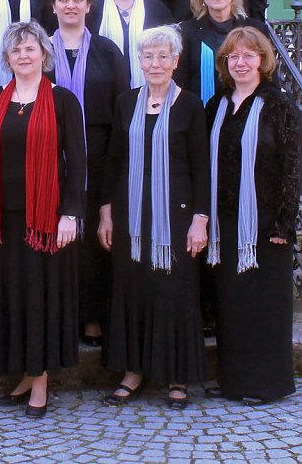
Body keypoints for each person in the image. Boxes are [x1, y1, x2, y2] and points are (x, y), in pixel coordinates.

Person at [0, 21, 85, 419]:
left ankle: (40, 382)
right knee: (12, 299)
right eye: (16, 50)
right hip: (4, 219)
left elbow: (78, 163)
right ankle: (23, 373)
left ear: (43, 54)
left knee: (40, 301)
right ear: (7, 58)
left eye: (30, 48)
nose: (23, 55)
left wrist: (71, 213)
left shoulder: (63, 100)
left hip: (47, 222)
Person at [99, 26, 209, 410]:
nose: (156, 63)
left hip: (176, 214)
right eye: (148, 57)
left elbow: (201, 167)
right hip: (130, 212)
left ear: (176, 61)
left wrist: (200, 219)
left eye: (164, 56)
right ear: (139, 62)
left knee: (172, 291)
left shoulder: (192, 105)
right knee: (133, 288)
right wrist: (105, 213)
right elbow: (114, 160)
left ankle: (176, 376)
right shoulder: (126, 103)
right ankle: (133, 372)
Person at [206, 27, 301, 404]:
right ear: (225, 64)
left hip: (265, 223)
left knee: (264, 305)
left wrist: (284, 222)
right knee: (231, 304)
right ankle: (233, 380)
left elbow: (292, 167)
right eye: (233, 57)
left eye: (248, 56)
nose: (240, 63)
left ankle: (267, 383)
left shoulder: (279, 105)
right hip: (226, 220)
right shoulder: (217, 104)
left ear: (263, 61)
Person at [48, 0, 129, 347]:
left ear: (88, 5)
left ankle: (94, 317)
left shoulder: (108, 51)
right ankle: (61, 317)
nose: (70, 5)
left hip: (97, 155)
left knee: (97, 242)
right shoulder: (39, 50)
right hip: (50, 158)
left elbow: (122, 106)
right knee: (56, 237)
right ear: (53, 6)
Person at [174, 0, 269, 105]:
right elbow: (179, 85)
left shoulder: (257, 30)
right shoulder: (185, 33)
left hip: (246, 119)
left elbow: (269, 81)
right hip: (201, 121)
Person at [86, 0, 173, 87]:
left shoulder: (158, 11)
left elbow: (170, 54)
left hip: (151, 93)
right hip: (104, 93)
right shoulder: (92, 11)